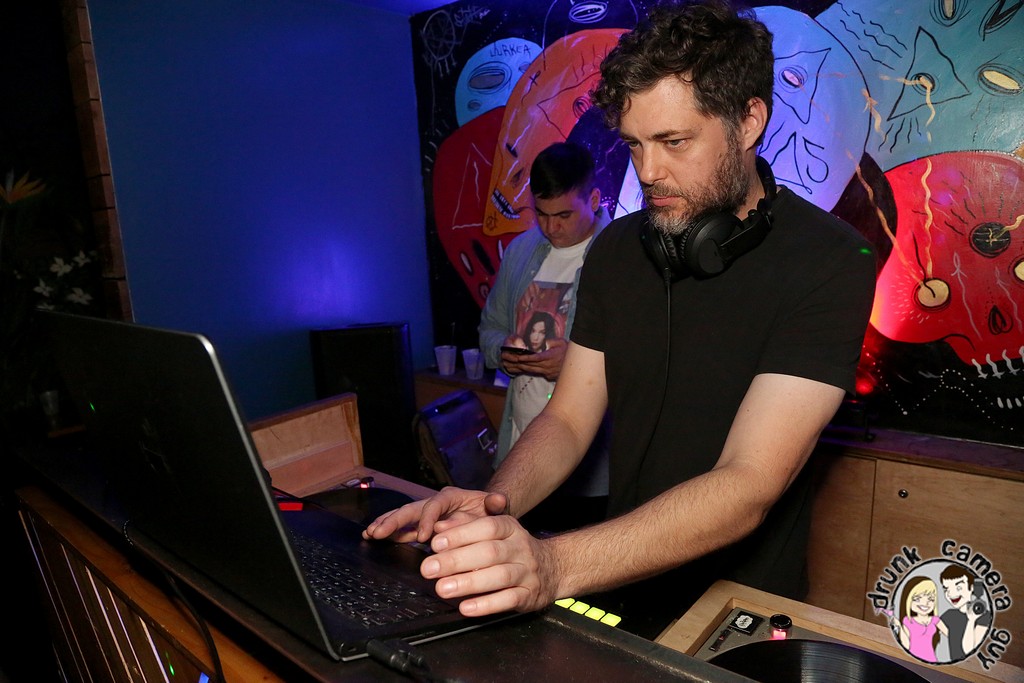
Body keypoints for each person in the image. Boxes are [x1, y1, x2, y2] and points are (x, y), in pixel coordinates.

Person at [365, 0, 876, 639]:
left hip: (737, 611)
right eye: (634, 143)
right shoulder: (617, 249)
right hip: (623, 577)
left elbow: (748, 482)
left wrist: (552, 565)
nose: (647, 172)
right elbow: (568, 418)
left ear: (749, 120)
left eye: (674, 142)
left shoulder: (829, 261)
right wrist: (494, 503)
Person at [477, 141, 611, 532]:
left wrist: (575, 365)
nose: (552, 228)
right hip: (519, 454)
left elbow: (646, 358)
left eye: (564, 214)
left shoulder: (620, 257)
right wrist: (503, 353)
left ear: (594, 199)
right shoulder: (520, 251)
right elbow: (489, 328)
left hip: (589, 470)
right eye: (542, 214)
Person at [939, 565, 991, 662]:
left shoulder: (984, 616)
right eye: (946, 589)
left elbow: (968, 651)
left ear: (971, 587)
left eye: (958, 588)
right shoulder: (949, 614)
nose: (951, 594)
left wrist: (971, 620)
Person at [891, 576, 947, 662]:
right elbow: (906, 645)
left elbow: (951, 635)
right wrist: (899, 626)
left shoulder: (935, 620)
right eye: (917, 599)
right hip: (911, 660)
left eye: (931, 599)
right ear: (908, 600)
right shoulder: (908, 621)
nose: (925, 603)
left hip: (931, 659)